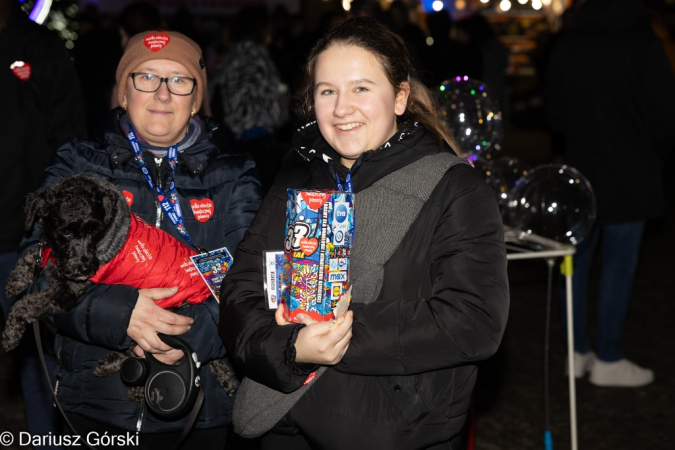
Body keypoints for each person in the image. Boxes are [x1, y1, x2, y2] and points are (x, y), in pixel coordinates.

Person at [220, 17, 509, 450]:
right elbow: (241, 291)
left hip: (394, 432)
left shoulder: (454, 189)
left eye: (361, 88)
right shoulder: (296, 177)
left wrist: (337, 336)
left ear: (400, 97)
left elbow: (473, 320)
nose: (341, 108)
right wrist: (289, 348)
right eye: (327, 91)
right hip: (286, 422)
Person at [18, 31, 262, 447]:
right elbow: (37, 273)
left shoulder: (236, 173)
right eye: (146, 76)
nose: (163, 94)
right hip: (93, 403)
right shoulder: (77, 164)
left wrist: (171, 335)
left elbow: (251, 283)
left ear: (197, 98)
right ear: (123, 92)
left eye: (179, 80)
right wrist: (121, 315)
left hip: (201, 405)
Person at [546, 0, 675, 387]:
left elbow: (554, 112)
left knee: (576, 265)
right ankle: (608, 355)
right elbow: (666, 116)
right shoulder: (644, 44)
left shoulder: (570, 43)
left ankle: (576, 352)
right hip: (631, 174)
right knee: (618, 267)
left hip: (581, 169)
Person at [0, 0, 87, 447]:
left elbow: (69, 138)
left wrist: (59, 227)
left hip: (23, 240)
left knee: (37, 356)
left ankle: (46, 440)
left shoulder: (41, 47)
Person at [208, 5, 289, 193]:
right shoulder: (258, 59)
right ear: (261, 29)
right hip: (259, 147)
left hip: (228, 144)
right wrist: (284, 105)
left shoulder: (227, 60)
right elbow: (275, 113)